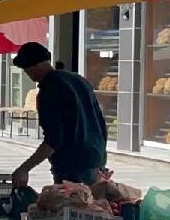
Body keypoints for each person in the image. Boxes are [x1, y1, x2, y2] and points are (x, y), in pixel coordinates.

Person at [11, 42, 107, 186]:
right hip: (93, 162)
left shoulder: (49, 90)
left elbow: (54, 138)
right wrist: (100, 160)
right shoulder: (80, 81)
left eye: (26, 69)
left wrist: (24, 169)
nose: (27, 73)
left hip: (70, 167)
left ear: (35, 66)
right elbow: (100, 124)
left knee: (70, 206)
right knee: (90, 207)